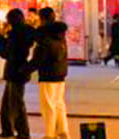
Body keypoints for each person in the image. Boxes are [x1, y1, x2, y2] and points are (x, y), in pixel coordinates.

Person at [25, 7, 68, 139]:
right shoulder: (60, 35)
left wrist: (24, 70)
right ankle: (63, 131)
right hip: (60, 74)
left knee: (48, 106)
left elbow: (38, 59)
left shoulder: (44, 37)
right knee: (59, 104)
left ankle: (50, 134)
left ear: (42, 19)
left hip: (48, 75)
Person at [0, 8, 35, 139]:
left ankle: (23, 132)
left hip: (15, 71)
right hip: (18, 70)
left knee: (16, 103)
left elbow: (5, 53)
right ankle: (7, 130)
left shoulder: (16, 34)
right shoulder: (25, 31)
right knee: (7, 103)